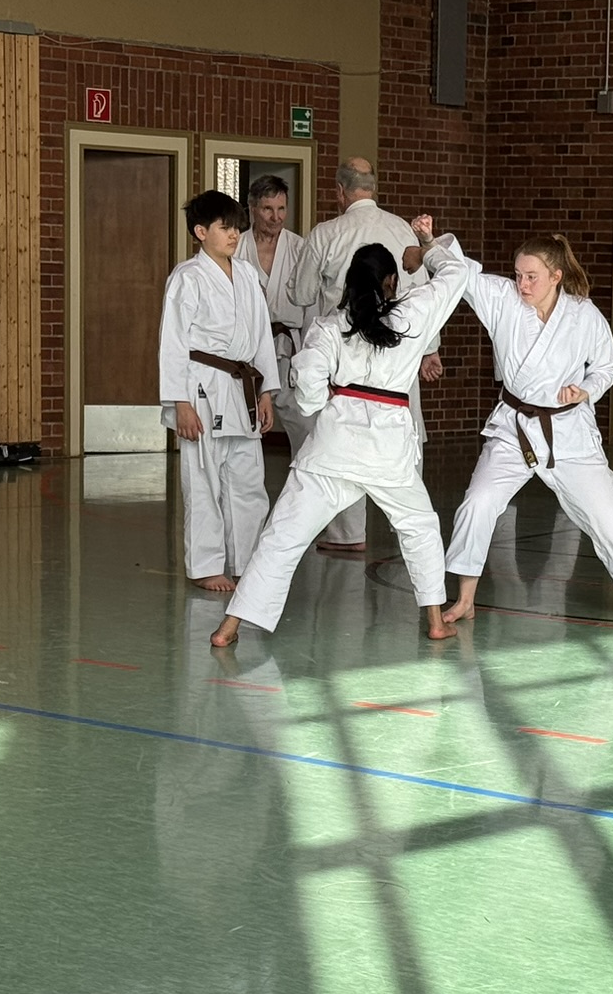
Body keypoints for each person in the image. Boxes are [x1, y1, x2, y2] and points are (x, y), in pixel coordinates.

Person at [213, 217, 470, 648]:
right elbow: (457, 273)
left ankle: (229, 628)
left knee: (283, 536)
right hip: (388, 449)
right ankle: (435, 621)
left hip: (334, 446)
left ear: (350, 283)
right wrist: (425, 250)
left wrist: (321, 401)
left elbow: (308, 385)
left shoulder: (330, 325)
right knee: (419, 527)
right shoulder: (413, 313)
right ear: (391, 282)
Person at [440, 232, 613, 623]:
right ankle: (465, 599)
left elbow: (607, 366)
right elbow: (465, 275)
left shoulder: (583, 315)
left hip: (570, 431)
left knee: (612, 522)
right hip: (515, 428)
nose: (522, 284)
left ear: (556, 276)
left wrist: (585, 390)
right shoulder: (503, 299)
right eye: (518, 274)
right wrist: (432, 243)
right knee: (478, 503)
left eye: (531, 276)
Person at [159, 188, 280, 593]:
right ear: (200, 232)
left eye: (237, 228)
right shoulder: (187, 277)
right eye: (224, 228)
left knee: (249, 481)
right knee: (203, 480)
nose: (233, 235)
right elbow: (172, 342)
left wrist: (267, 392)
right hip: (201, 387)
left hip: (243, 387)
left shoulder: (246, 275)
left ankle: (246, 561)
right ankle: (206, 566)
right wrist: (179, 403)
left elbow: (261, 337)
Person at [244, 173, 365, 554]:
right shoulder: (237, 246)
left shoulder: (301, 247)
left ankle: (343, 531)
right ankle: (247, 532)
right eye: (267, 209)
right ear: (252, 208)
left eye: (281, 208)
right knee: (242, 445)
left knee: (316, 438)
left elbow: (314, 307)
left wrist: (318, 362)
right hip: (245, 358)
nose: (276, 217)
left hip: (293, 349)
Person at [290, 156, 445, 450]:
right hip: (398, 346)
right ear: (373, 188)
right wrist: (430, 349)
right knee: (401, 446)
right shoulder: (403, 229)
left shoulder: (326, 234)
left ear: (340, 190)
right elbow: (425, 291)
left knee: (345, 447)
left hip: (346, 350)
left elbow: (301, 295)